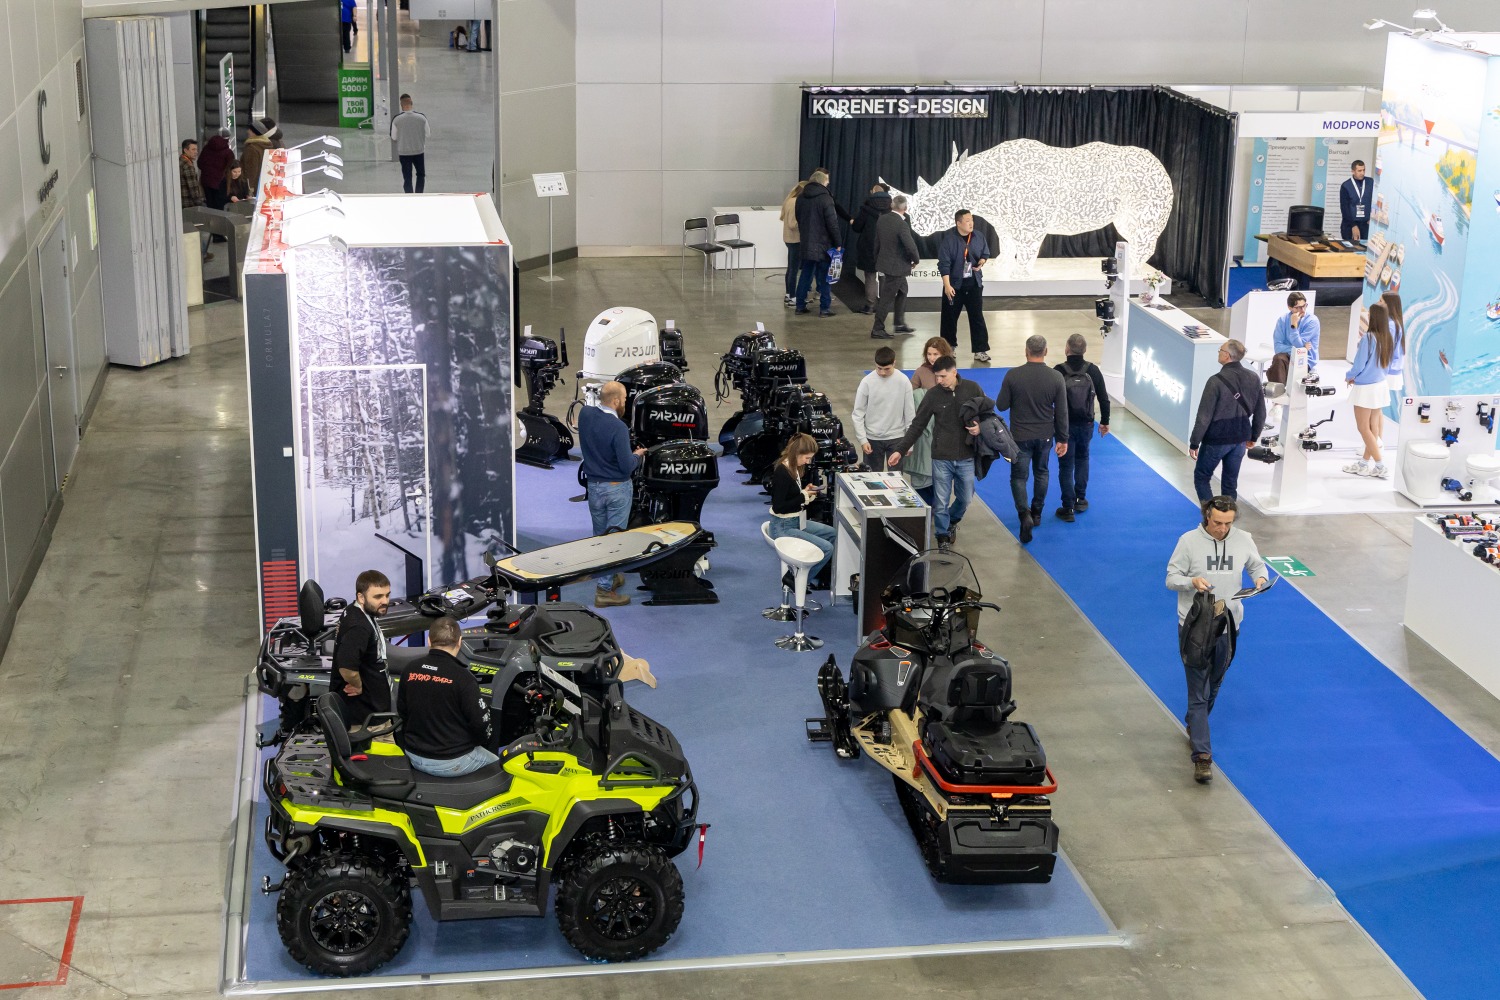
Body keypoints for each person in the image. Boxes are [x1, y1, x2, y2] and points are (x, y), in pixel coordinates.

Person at [1165, 496, 1268, 784]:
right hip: (1195, 628)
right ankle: (1202, 756)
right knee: (1198, 691)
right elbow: (1171, 578)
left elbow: (1257, 566)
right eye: (1217, 523)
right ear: (1206, 517)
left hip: (1229, 625)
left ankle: (1194, 721)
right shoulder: (1188, 541)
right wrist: (1191, 582)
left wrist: (1260, 580)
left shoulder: (1244, 539)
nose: (1222, 529)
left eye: (1228, 523)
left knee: (1215, 684)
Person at [888, 356, 984, 550]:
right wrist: (900, 449)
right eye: (936, 377)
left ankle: (951, 521)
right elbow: (917, 425)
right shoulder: (933, 395)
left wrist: (979, 427)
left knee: (966, 497)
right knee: (940, 502)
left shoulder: (972, 389)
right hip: (941, 458)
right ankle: (942, 538)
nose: (939, 380)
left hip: (966, 456)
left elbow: (987, 413)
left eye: (943, 376)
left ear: (954, 372)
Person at [396, 616, 498, 777]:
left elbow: (402, 712)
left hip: (413, 755)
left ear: (429, 641)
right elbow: (480, 724)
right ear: (460, 642)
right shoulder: (463, 677)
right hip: (452, 761)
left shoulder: (410, 669)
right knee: (502, 768)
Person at [578, 381, 645, 607]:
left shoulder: (585, 414)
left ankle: (611, 574)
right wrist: (637, 455)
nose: (625, 403)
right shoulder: (618, 428)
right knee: (614, 541)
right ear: (616, 401)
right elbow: (626, 466)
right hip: (617, 489)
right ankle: (604, 591)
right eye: (624, 399)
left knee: (600, 537)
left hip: (594, 488)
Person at [996, 335, 1068, 544]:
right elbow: (1062, 412)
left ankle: (1023, 514)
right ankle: (1036, 513)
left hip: (1020, 436)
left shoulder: (1013, 375)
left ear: (1026, 351)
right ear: (1045, 351)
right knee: (1041, 472)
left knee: (1019, 477)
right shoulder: (1056, 377)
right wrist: (1062, 438)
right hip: (1045, 436)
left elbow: (1001, 405)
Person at [1189, 340, 1265, 502]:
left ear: (1227, 355)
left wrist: (1194, 442)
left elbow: (1204, 416)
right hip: (1240, 439)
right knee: (1230, 483)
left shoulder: (1215, 381)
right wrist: (1253, 436)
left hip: (1216, 439)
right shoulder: (1253, 377)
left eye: (1220, 350)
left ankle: (1210, 513)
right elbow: (1261, 412)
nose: (1218, 352)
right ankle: (1228, 515)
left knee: (1202, 477)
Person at [1053, 333, 1110, 520]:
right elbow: (1104, 398)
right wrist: (1105, 421)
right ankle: (1080, 499)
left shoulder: (1058, 371)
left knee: (1065, 465)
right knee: (1083, 458)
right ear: (1085, 350)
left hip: (1064, 426)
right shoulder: (1093, 370)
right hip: (1086, 424)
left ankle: (1067, 507)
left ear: (1066, 349)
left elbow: (1048, 400)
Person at [768, 433, 836, 586]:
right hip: (783, 527)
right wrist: (803, 495)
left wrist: (806, 493)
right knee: (827, 548)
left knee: (831, 533)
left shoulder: (793, 468)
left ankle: (813, 573)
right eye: (807, 458)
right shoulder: (782, 472)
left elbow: (792, 497)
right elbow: (779, 507)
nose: (808, 461)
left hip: (795, 520)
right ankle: (797, 580)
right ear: (797, 453)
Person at [334, 569, 393, 730]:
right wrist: (358, 685)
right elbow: (346, 667)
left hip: (370, 714)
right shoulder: (358, 627)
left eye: (387, 595)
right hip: (366, 721)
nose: (385, 601)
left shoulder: (355, 611)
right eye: (378, 597)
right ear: (361, 597)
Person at [1343, 301, 1396, 479]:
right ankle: (1363, 464)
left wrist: (1349, 376)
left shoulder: (1368, 338)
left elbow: (1359, 364)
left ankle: (1380, 465)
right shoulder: (1388, 337)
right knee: (1373, 429)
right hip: (1380, 385)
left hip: (1366, 388)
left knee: (1364, 428)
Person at [937, 209, 991, 362]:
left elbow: (985, 253)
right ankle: (949, 348)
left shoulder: (978, 236)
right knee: (949, 318)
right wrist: (947, 286)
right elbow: (944, 264)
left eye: (972, 220)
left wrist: (982, 261)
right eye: (967, 221)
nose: (971, 223)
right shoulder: (949, 240)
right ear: (958, 223)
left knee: (977, 317)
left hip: (973, 284)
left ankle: (980, 350)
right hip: (954, 286)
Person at [852, 346, 914, 472]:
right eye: (879, 368)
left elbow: (910, 413)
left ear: (894, 363)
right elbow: (858, 413)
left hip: (897, 438)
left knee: (896, 479)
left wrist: (909, 443)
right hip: (872, 439)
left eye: (887, 369)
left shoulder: (903, 381)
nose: (882, 373)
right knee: (872, 478)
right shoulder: (866, 382)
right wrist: (863, 439)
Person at [906, 338, 952, 506]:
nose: (932, 358)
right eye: (929, 354)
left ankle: (937, 508)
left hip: (943, 430)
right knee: (922, 473)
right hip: (925, 433)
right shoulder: (921, 371)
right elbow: (909, 395)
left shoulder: (950, 372)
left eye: (936, 354)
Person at [870, 194, 919, 339]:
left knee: (903, 291)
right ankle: (877, 328)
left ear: (892, 205)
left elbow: (877, 242)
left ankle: (899, 323)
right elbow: (910, 246)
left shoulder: (882, 219)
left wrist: (877, 259)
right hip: (897, 267)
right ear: (906, 208)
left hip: (887, 264)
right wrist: (916, 260)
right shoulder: (901, 224)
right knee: (887, 298)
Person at [794, 169, 841, 316]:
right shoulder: (826, 199)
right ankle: (825, 309)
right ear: (822, 182)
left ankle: (800, 306)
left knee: (805, 275)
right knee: (825, 277)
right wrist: (838, 242)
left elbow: (799, 218)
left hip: (806, 242)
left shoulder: (800, 198)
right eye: (827, 181)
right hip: (823, 244)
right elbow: (832, 224)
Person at [851, 183, 892, 315]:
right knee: (884, 276)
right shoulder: (891, 209)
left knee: (870, 277)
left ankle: (870, 306)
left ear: (873, 193)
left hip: (868, 247)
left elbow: (857, 227)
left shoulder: (865, 209)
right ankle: (884, 306)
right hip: (887, 247)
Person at [1268, 291, 1320, 382]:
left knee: (1278, 368)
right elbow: (1278, 348)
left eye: (1304, 306)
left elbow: (1299, 347)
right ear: (1289, 307)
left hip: (1305, 359)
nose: (1302, 310)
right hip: (1287, 357)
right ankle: (1279, 388)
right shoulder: (1282, 320)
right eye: (1298, 307)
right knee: (1278, 359)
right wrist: (1300, 348)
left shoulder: (1312, 321)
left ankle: (1278, 387)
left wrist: (1293, 326)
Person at [178, 139, 212, 262]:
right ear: (185, 150)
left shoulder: (180, 162)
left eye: (196, 149)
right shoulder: (188, 165)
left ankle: (202, 252)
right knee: (197, 229)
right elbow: (193, 187)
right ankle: (202, 253)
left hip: (183, 202)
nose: (196, 152)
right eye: (193, 149)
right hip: (189, 203)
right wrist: (200, 202)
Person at [391, 94, 431, 194]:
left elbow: (394, 137)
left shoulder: (397, 119)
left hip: (404, 152)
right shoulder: (422, 118)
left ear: (401, 105)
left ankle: (409, 195)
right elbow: (428, 134)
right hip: (419, 151)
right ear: (411, 103)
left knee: (407, 177)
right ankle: (419, 194)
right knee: (420, 174)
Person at [779, 179, 808, 308]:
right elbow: (792, 224)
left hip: (789, 239)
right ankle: (793, 297)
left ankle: (788, 294)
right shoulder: (795, 202)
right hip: (795, 239)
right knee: (793, 269)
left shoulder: (789, 201)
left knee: (791, 267)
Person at [241, 118, 278, 194]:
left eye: (250, 130)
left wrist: (249, 189)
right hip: (263, 184)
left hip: (253, 187)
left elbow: (251, 170)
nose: (248, 131)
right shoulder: (267, 144)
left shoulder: (251, 148)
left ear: (255, 133)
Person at [197, 135, 234, 211]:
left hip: (206, 181)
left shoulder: (206, 149)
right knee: (220, 205)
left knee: (210, 205)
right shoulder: (228, 152)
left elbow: (199, 164)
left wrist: (207, 170)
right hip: (220, 181)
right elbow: (231, 165)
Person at [1339, 160, 1373, 241]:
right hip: (1350, 225)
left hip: (1366, 225)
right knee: (1350, 247)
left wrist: (1372, 217)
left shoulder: (1370, 182)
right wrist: (1353, 225)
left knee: (1365, 247)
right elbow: (1344, 208)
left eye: (1364, 170)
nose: (1362, 173)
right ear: (1353, 171)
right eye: (1359, 171)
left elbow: (1375, 201)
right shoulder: (1346, 186)